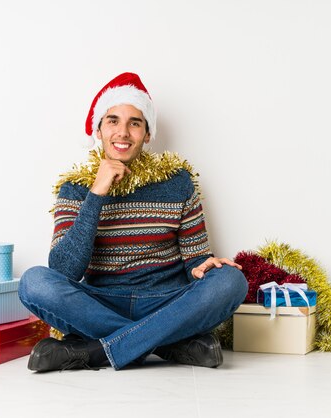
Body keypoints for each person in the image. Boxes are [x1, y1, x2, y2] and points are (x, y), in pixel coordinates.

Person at [19, 72, 248, 372]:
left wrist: (202, 266)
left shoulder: (178, 183)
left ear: (148, 133)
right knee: (33, 282)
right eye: (113, 120)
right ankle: (168, 343)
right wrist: (97, 193)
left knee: (231, 280)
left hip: (166, 300)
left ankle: (96, 351)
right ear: (98, 130)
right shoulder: (75, 189)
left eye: (135, 123)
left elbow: (196, 259)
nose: (123, 132)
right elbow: (64, 270)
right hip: (100, 303)